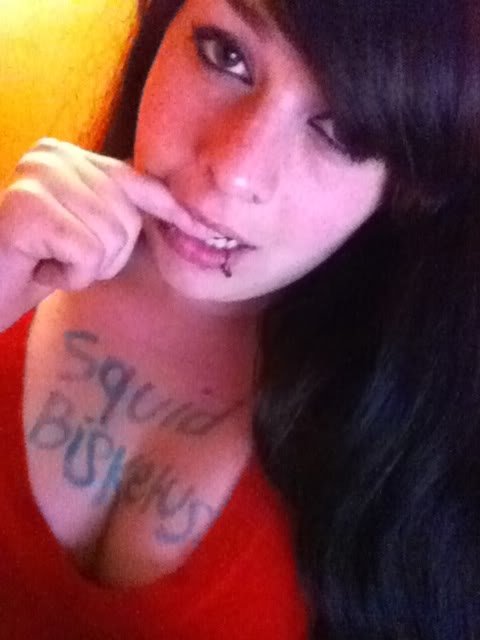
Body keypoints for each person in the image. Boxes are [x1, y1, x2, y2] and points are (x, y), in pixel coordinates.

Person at [0, 0, 478, 638]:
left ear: (402, 185)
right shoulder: (18, 252)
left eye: (341, 131)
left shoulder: (427, 456)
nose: (234, 172)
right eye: (225, 54)